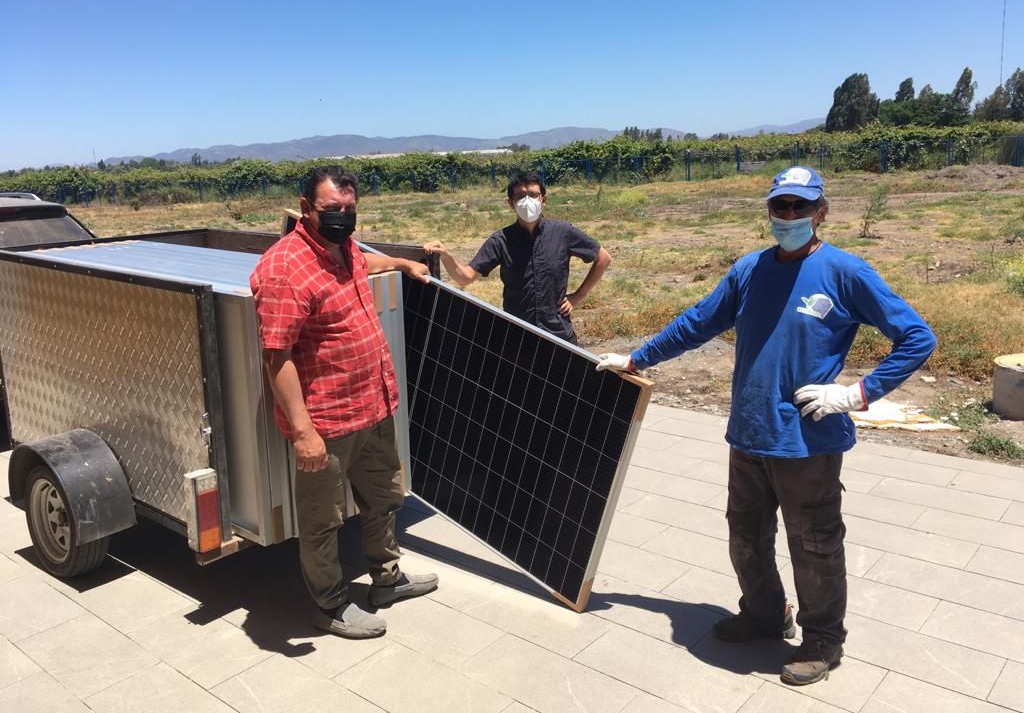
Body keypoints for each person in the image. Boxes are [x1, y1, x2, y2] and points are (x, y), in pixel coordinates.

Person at [596, 166, 936, 685]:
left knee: (815, 543)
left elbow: (916, 337)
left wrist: (856, 393)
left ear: (821, 212)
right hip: (750, 432)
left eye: (801, 207)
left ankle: (823, 640)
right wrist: (638, 359)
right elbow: (699, 321)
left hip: (807, 441)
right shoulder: (750, 270)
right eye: (781, 207)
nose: (790, 216)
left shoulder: (847, 272)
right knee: (746, 533)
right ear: (770, 213)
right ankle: (764, 612)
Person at [250, 166, 438, 639]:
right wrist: (304, 432)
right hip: (327, 422)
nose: (342, 217)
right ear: (306, 206)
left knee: (383, 500)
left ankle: (386, 579)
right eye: (332, 209)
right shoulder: (284, 268)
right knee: (323, 521)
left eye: (349, 209)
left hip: (372, 407)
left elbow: (361, 265)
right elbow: (277, 358)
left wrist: (398, 263)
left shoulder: (343, 247)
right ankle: (330, 605)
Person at [424, 170, 611, 344]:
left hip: (558, 332)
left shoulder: (563, 232)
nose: (527, 201)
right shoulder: (501, 241)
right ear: (511, 203)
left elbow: (603, 258)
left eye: (533, 195)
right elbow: (465, 277)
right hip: (518, 335)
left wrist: (578, 296)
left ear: (543, 200)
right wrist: (446, 256)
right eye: (520, 196)